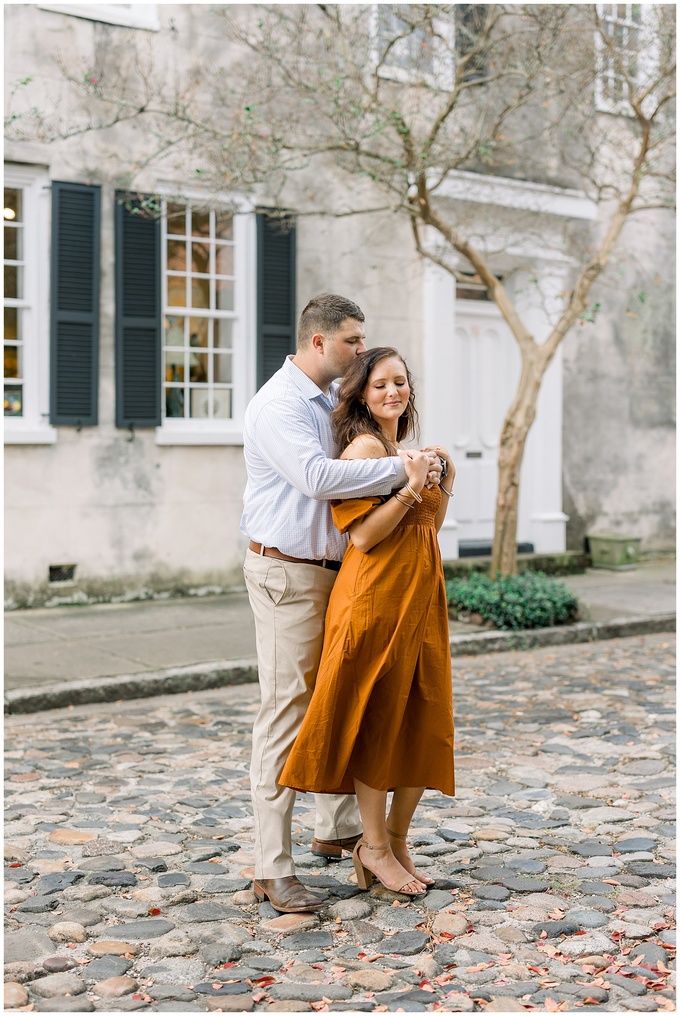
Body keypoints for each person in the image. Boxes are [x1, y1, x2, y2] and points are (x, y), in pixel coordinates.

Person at [241, 295, 442, 914]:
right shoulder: (278, 404)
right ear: (321, 341)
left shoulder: (330, 402)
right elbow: (317, 479)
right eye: (355, 341)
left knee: (343, 697)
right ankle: (271, 867)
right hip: (289, 573)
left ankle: (339, 829)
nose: (363, 349)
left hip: (344, 577)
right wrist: (405, 475)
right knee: (288, 711)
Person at [280, 346, 455, 897]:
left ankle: (397, 841)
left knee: (423, 716)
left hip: (420, 597)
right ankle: (373, 846)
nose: (393, 392)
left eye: (400, 382)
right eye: (380, 384)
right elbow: (362, 535)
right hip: (375, 598)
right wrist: (409, 484)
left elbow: (429, 525)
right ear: (361, 395)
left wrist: (442, 479)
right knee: (380, 720)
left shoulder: (405, 449)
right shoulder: (362, 448)